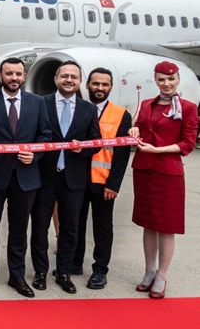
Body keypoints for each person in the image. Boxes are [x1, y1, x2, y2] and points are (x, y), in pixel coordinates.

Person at [0, 57, 51, 298]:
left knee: (19, 228)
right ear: (0, 76)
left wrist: (35, 155)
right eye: (9, 74)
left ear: (24, 76)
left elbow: (45, 136)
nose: (13, 78)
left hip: (26, 177)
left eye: (18, 74)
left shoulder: (37, 103)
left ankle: (16, 275)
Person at [128, 60, 198, 299]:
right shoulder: (147, 104)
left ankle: (162, 275)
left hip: (168, 171)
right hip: (144, 170)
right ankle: (149, 270)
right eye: (161, 79)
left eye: (170, 79)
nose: (166, 84)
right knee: (148, 224)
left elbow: (188, 143)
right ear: (155, 81)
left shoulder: (188, 108)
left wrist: (157, 150)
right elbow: (139, 127)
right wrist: (134, 131)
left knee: (166, 227)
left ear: (178, 80)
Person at [31, 61, 100, 295]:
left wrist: (85, 149)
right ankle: (40, 272)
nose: (69, 80)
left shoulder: (89, 110)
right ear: (56, 79)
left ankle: (63, 272)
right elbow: (35, 135)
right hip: (45, 176)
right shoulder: (41, 103)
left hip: (74, 178)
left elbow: (96, 142)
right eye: (65, 76)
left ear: (81, 82)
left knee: (71, 228)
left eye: (74, 77)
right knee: (40, 226)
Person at [73, 67, 132, 290]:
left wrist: (113, 184)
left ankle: (100, 270)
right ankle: (74, 263)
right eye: (96, 83)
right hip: (77, 179)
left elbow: (121, 154)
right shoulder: (78, 109)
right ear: (86, 85)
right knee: (75, 223)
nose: (100, 88)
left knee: (103, 227)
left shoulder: (120, 115)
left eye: (105, 84)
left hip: (103, 181)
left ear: (110, 87)